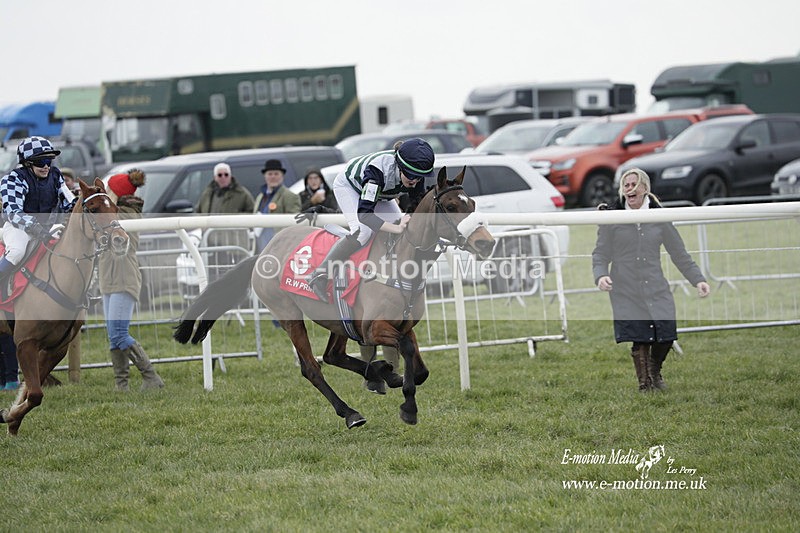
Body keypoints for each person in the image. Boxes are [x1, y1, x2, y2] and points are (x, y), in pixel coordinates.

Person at [592, 168, 710, 392]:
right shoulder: (612, 216)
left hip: (655, 283)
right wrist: (601, 275)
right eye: (626, 185)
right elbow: (600, 253)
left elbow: (679, 253)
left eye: (634, 184)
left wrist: (698, 279)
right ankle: (645, 385)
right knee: (641, 336)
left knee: (666, 333)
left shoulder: (660, 217)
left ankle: (654, 371)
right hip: (625, 286)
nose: (630, 189)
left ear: (645, 188)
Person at [308, 138, 434, 304]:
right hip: (351, 187)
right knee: (363, 232)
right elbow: (365, 215)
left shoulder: (416, 172)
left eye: (419, 177)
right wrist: (395, 228)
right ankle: (319, 274)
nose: (415, 181)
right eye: (411, 176)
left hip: (382, 192)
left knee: (400, 224)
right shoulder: (377, 173)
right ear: (400, 166)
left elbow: (416, 204)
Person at [99, 170, 164, 391]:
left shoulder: (126, 214)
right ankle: (121, 384)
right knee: (113, 336)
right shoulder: (115, 212)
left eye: (109, 190)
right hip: (109, 278)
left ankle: (151, 377)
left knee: (119, 333)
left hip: (124, 277)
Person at [0, 136, 77, 287]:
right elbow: (12, 211)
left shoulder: (55, 175)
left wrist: (84, 204)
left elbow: (69, 202)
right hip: (19, 229)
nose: (46, 166)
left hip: (47, 228)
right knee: (16, 252)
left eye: (49, 161)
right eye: (41, 162)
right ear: (27, 163)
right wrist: (34, 226)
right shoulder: (13, 179)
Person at [195, 163, 255, 277]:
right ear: (215, 177)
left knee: (234, 274)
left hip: (233, 242)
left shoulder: (242, 193)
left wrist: (235, 220)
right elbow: (198, 211)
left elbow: (252, 213)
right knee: (213, 273)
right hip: (212, 243)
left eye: (226, 175)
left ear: (230, 176)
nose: (223, 178)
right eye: (220, 175)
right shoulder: (207, 193)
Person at [254, 159, 301, 252]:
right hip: (261, 244)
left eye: (276, 174)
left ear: (282, 176)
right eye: (270, 174)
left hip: (280, 245)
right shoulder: (260, 197)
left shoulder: (290, 196)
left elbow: (294, 222)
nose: (273, 177)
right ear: (265, 176)